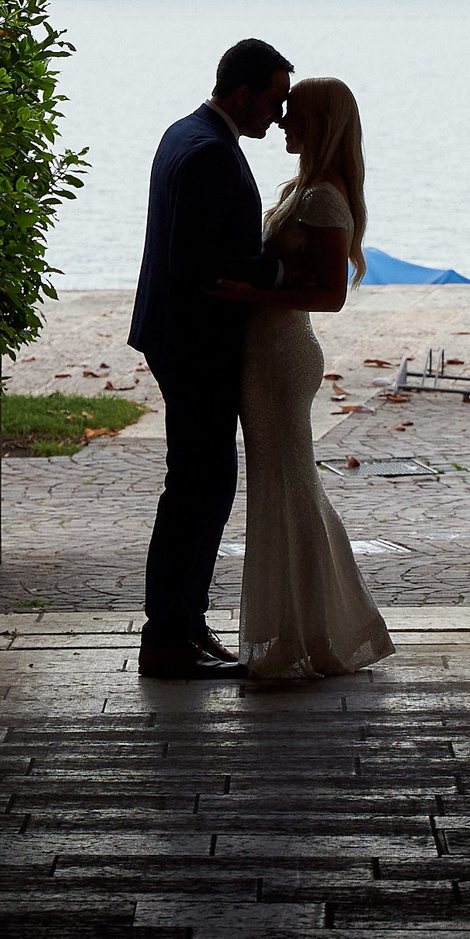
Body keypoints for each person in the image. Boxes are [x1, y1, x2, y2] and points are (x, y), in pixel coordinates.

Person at [206, 77, 395, 678]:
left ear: (320, 125)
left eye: (294, 116)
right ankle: (311, 628)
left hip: (282, 358)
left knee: (289, 488)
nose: (283, 123)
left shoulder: (321, 199)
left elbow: (331, 295)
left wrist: (255, 289)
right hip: (271, 353)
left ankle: (318, 631)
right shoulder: (306, 190)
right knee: (286, 488)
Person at [128, 38, 292, 680]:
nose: (276, 118)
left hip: (177, 337)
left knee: (201, 485)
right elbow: (200, 266)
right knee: (197, 489)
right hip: (194, 344)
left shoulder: (185, 132)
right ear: (243, 92)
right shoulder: (210, 155)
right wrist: (280, 268)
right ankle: (167, 637)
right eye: (273, 101)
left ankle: (183, 628)